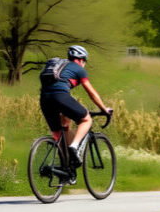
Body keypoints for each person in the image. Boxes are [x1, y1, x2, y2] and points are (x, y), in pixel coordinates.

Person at [39, 45, 112, 177]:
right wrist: (104, 109)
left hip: (44, 99)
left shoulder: (60, 66)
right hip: (60, 95)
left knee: (61, 128)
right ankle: (74, 146)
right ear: (82, 59)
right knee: (86, 119)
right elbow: (92, 93)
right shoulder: (79, 69)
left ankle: (65, 168)